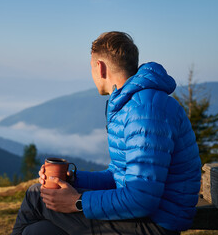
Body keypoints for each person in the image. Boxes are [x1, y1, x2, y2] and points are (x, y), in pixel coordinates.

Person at [11, 31, 201, 235]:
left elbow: (142, 199)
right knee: (39, 231)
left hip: (156, 225)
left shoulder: (146, 110)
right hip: (142, 216)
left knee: (35, 196)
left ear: (100, 67)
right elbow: (116, 176)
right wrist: (72, 179)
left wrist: (78, 202)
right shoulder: (132, 104)